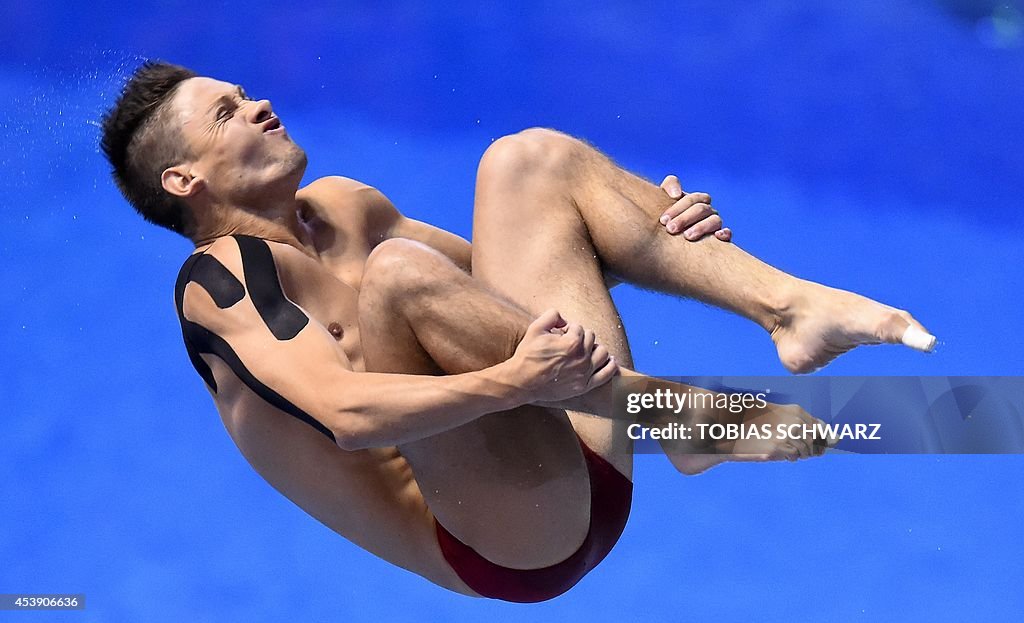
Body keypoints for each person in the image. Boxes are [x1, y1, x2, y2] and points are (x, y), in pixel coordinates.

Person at [100, 61, 935, 602]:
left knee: (527, 160)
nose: (260, 103)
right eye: (228, 111)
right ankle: (667, 414)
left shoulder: (346, 206)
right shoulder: (220, 286)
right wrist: (516, 382)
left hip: (573, 435)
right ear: (186, 179)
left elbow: (521, 288)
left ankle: (787, 310)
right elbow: (348, 416)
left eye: (245, 94)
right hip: (505, 535)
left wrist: (652, 213)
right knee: (398, 273)